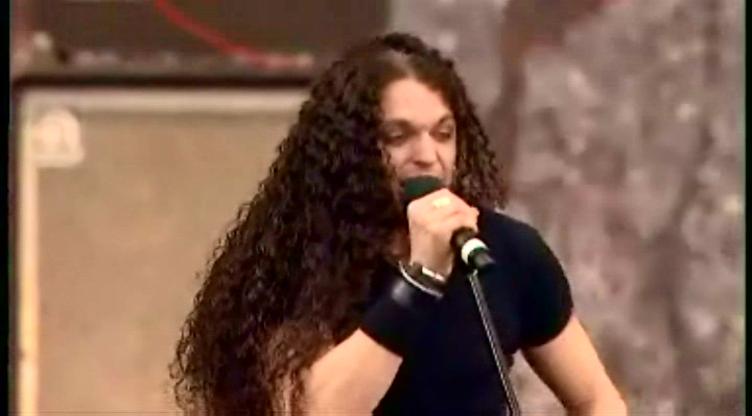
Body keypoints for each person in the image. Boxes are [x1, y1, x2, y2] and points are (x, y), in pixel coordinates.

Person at [170, 32, 627, 416]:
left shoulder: (504, 251)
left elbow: (596, 398)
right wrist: (420, 280)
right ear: (351, 150)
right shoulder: (300, 259)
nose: (427, 156)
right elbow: (317, 410)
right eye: (398, 136)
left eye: (443, 134)